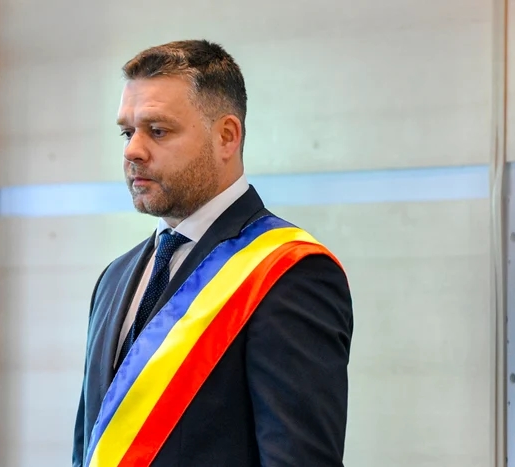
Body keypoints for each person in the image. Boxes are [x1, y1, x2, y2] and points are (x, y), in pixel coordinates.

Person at [72, 39, 353, 467]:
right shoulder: (115, 276)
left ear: (226, 136)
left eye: (158, 130)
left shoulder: (289, 272)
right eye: (128, 132)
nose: (132, 150)